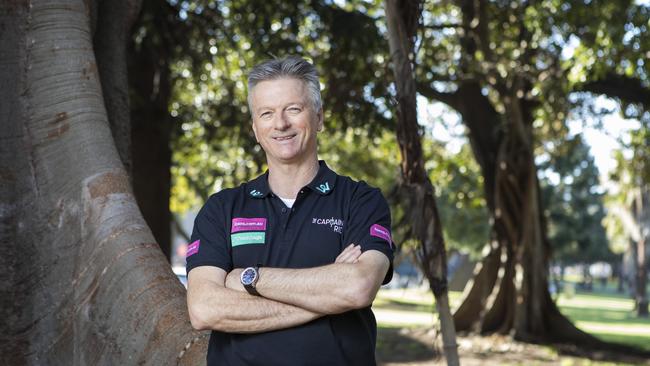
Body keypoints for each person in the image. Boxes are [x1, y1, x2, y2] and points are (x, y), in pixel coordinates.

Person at [186, 56, 394, 365]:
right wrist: (328, 298)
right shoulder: (222, 209)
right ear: (256, 128)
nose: (280, 124)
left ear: (319, 118)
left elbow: (358, 287)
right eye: (267, 113)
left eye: (293, 109)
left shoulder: (361, 201)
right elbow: (205, 309)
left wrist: (247, 279)